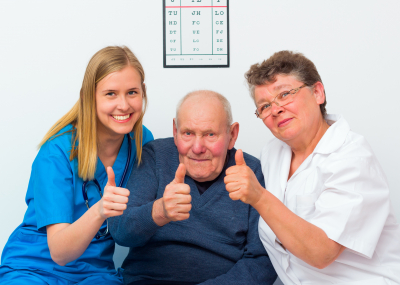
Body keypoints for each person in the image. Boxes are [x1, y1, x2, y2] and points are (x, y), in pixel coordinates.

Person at [224, 50, 400, 284]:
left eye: (285, 94)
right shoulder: (271, 153)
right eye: (264, 106)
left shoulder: (353, 158)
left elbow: (321, 253)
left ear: (317, 92)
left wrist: (259, 197)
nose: (275, 109)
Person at [0, 46, 153, 284]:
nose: (123, 105)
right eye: (110, 94)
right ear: (88, 97)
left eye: (132, 92)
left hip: (96, 271)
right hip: (34, 267)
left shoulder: (142, 142)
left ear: (143, 93)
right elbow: (60, 252)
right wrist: (100, 210)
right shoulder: (57, 152)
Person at [108, 90, 277, 285]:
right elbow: (120, 232)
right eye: (188, 133)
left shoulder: (252, 173)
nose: (197, 148)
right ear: (175, 131)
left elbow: (262, 260)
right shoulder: (155, 157)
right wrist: (159, 211)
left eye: (210, 134)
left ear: (232, 135)